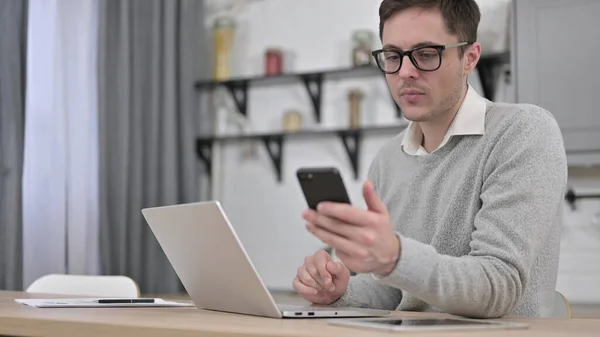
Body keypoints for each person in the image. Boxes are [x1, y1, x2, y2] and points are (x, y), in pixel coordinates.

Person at [292, 0, 568, 318]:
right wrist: (340, 290)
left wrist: (395, 257)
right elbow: (395, 292)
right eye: (393, 56)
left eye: (426, 54)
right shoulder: (388, 159)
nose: (405, 72)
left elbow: (497, 286)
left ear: (470, 57)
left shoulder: (522, 132)